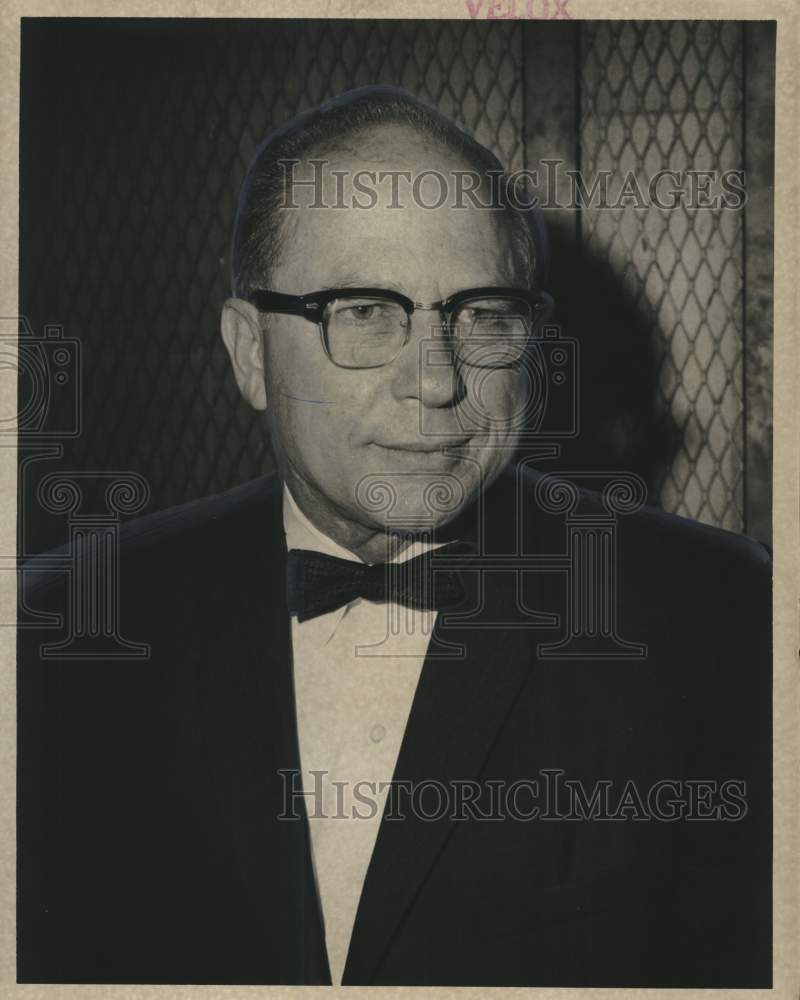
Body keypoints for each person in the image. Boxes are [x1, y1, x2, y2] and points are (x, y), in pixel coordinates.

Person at [18, 87, 771, 987]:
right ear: (249, 352)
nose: (438, 382)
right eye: (365, 311)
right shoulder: (69, 620)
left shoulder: (723, 615)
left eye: (483, 314)